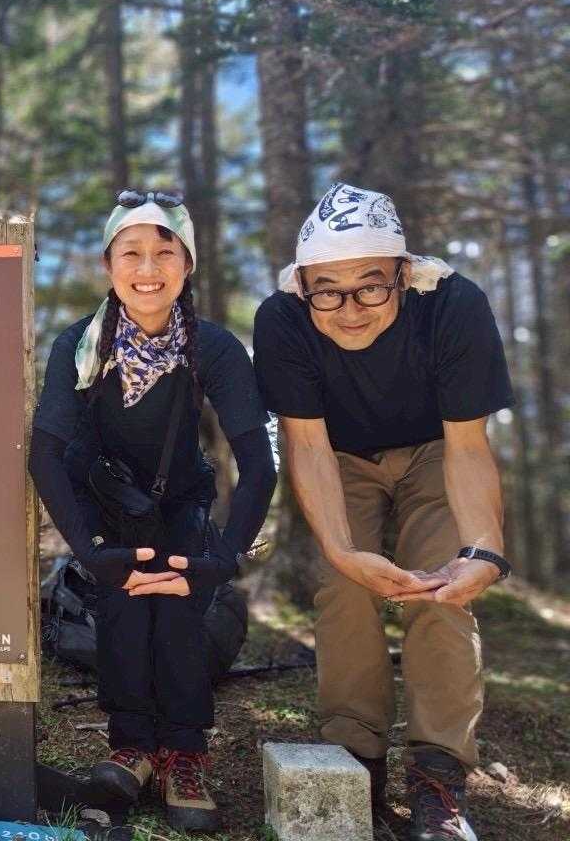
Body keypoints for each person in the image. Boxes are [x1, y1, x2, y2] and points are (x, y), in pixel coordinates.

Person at [253, 182, 513, 841]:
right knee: (343, 586)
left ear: (404, 273)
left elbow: (468, 445)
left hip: (436, 449)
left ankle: (439, 777)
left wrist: (483, 549)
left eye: (370, 287)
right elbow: (305, 443)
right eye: (327, 291)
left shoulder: (454, 304)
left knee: (443, 586)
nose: (349, 310)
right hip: (339, 454)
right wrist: (342, 552)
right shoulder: (282, 320)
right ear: (302, 285)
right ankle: (353, 759)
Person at [29, 191, 276, 832]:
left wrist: (223, 558)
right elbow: (45, 455)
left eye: (165, 253)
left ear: (187, 264)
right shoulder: (79, 346)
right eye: (130, 253)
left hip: (181, 502)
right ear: (107, 264)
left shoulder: (212, 347)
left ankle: (185, 755)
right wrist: (90, 552)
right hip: (106, 506)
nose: (147, 269)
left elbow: (259, 460)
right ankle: (132, 747)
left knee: (180, 620)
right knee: (121, 616)